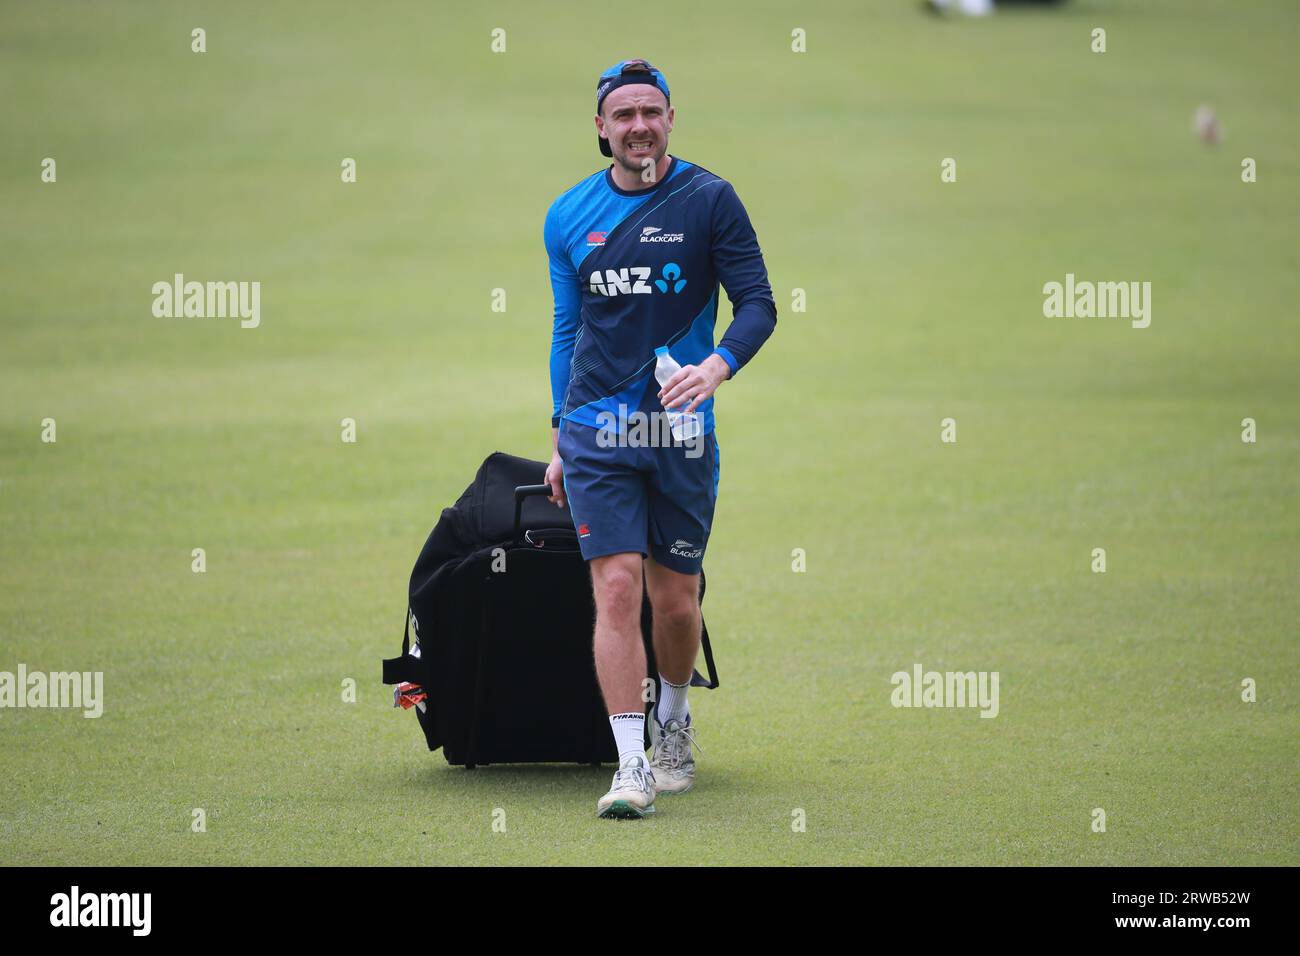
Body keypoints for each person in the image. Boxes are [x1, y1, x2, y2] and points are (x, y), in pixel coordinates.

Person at [542, 59, 777, 818]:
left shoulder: (710, 200)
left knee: (675, 601)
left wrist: (718, 366)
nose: (638, 125)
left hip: (678, 433)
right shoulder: (568, 216)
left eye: (652, 111)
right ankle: (632, 764)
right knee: (615, 589)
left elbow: (758, 305)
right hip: (597, 432)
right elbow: (567, 332)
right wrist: (558, 434)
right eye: (624, 114)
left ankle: (674, 721)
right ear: (601, 129)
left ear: (670, 119)